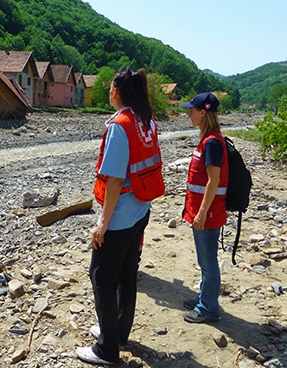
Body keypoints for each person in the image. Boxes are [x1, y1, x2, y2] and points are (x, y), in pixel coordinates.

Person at [76, 67, 164, 365]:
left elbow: (113, 180)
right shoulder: (146, 121)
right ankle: (118, 332)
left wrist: (103, 222)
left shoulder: (120, 125)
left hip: (122, 214)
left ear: (116, 92)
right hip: (141, 210)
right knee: (127, 274)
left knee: (101, 277)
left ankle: (107, 349)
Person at [180, 92, 229, 323]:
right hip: (205, 211)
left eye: (191, 110)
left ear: (203, 112)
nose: (188, 114)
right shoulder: (210, 138)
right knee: (205, 261)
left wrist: (200, 213)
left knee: (208, 263)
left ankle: (208, 308)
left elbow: (214, 180)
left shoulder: (212, 143)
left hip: (208, 213)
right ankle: (204, 297)